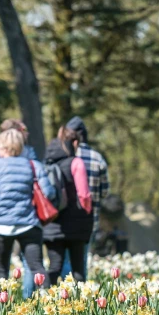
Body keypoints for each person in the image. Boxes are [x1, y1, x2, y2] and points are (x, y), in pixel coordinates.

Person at [0, 129, 53, 289]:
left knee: (0, 271)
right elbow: (49, 192)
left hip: (0, 225)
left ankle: (0, 310)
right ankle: (49, 303)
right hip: (29, 223)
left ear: (4, 148)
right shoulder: (33, 165)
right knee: (37, 268)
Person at [58, 116, 110, 279]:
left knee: (65, 259)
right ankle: (78, 296)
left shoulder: (63, 155)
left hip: (64, 219)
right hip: (89, 220)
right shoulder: (97, 158)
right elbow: (105, 191)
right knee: (81, 261)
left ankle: (65, 296)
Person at [42, 127, 93, 284]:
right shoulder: (76, 162)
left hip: (52, 222)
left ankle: (44, 299)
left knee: (54, 266)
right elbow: (83, 194)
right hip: (75, 223)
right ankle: (80, 305)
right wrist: (87, 211)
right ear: (75, 142)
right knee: (78, 269)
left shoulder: (47, 162)